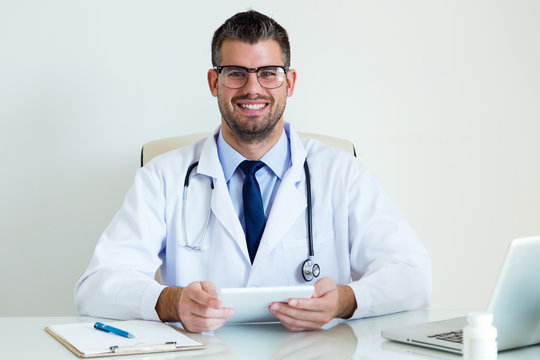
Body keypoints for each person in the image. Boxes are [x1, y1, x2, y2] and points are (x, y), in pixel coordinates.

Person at [75, 10, 431, 333]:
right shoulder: (163, 177)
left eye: (268, 73)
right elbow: (96, 285)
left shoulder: (342, 173)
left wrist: (345, 300)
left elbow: (413, 276)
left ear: (289, 82)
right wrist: (171, 303)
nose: (252, 88)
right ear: (214, 83)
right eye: (236, 74)